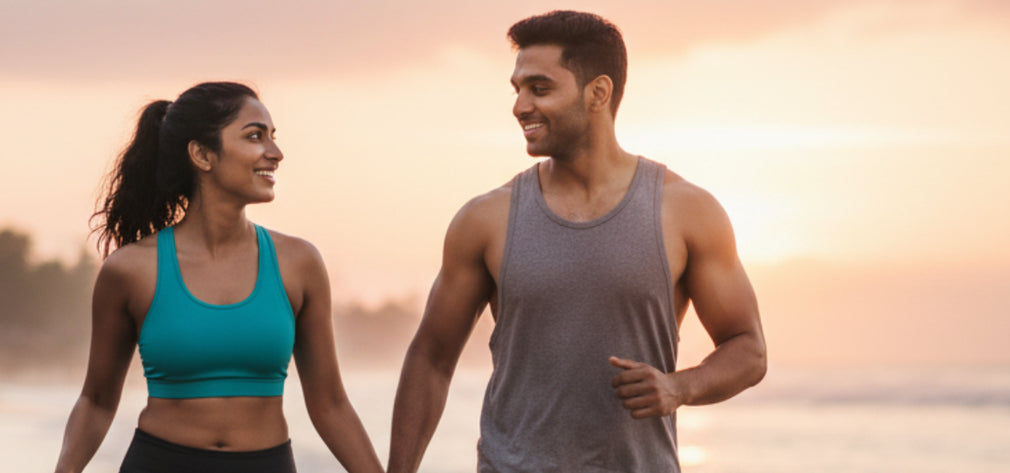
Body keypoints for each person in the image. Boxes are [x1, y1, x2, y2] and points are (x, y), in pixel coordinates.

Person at [388, 11, 767, 473]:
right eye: (517, 89)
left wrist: (678, 388)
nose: (520, 106)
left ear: (598, 93)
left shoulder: (685, 211)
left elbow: (748, 348)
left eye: (539, 88)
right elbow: (431, 357)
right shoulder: (486, 219)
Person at [54, 82, 383, 473]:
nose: (275, 153)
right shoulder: (131, 270)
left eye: (273, 137)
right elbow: (96, 401)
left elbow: (330, 404)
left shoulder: (299, 263)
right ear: (202, 154)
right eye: (255, 136)